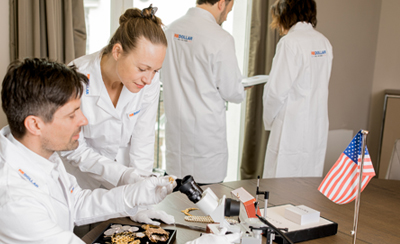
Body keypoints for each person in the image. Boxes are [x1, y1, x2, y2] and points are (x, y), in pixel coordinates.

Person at [0, 58, 174, 243]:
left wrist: (133, 196)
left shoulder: (39, 154)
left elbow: (76, 202)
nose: (83, 120)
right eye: (72, 114)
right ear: (35, 124)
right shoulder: (14, 201)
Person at [60, 6, 173, 225]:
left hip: (122, 190)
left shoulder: (147, 83)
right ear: (118, 52)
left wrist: (140, 200)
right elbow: (73, 150)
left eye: (155, 71)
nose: (149, 79)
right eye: (142, 68)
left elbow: (143, 141)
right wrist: (123, 177)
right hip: (79, 188)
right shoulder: (75, 77)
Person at [162, 0, 246, 185]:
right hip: (206, 149)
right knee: (204, 208)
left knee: (176, 205)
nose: (226, 15)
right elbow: (233, 92)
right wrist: (241, 88)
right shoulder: (221, 38)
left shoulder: (169, 31)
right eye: (229, 10)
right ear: (222, 3)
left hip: (176, 146)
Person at [262, 0, 333, 178]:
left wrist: (269, 121)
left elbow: (275, 92)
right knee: (307, 185)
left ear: (286, 14)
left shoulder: (290, 43)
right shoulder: (324, 43)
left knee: (280, 185)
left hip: (290, 128)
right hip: (316, 127)